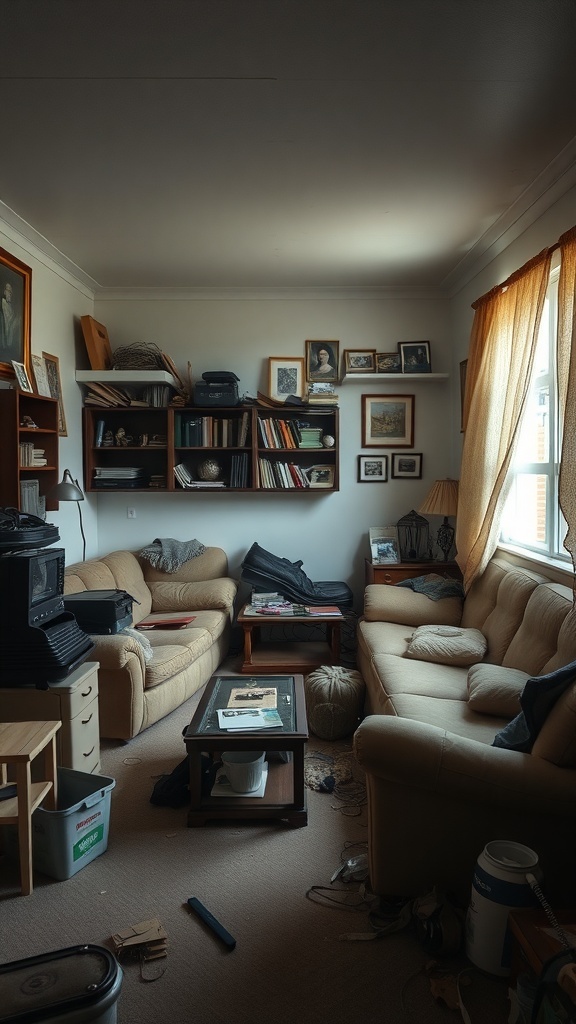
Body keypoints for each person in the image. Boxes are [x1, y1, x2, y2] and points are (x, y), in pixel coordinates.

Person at [0, 280, 21, 358]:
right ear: (4, 291)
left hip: (10, 350)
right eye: (8, 290)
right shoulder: (2, 306)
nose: (10, 293)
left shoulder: (12, 310)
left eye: (11, 291)